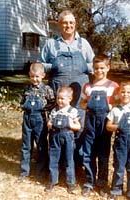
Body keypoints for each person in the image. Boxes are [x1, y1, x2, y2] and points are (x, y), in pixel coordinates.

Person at [37, 9, 94, 172]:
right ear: (59, 25)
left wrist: (82, 66)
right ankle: (57, 163)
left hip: (79, 91)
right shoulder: (50, 44)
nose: (68, 25)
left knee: (79, 125)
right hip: (58, 91)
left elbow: (93, 64)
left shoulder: (84, 44)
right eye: (65, 23)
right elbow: (41, 64)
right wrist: (52, 65)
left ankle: (77, 163)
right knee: (57, 124)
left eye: (71, 23)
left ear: (75, 25)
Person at [80, 53, 119, 197]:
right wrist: (88, 105)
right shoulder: (88, 86)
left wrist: (110, 105)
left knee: (103, 154)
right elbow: (81, 104)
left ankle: (102, 183)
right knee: (89, 153)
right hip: (90, 123)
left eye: (102, 68)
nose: (99, 71)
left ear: (108, 68)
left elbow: (118, 104)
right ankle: (89, 182)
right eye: (96, 68)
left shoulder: (113, 86)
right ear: (93, 69)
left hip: (104, 124)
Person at [17, 62, 55, 183]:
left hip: (40, 120)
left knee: (41, 146)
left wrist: (49, 118)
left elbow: (52, 104)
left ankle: (41, 173)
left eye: (37, 76)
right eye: (32, 76)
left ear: (43, 75)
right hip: (27, 119)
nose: (35, 79)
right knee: (26, 146)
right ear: (29, 75)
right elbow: (22, 102)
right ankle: (24, 172)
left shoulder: (47, 89)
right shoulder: (26, 89)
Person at [45, 86, 81, 194]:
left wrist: (69, 124)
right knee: (53, 158)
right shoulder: (54, 110)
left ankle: (70, 183)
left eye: (62, 99)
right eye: (58, 98)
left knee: (69, 160)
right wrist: (51, 124)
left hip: (68, 136)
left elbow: (78, 126)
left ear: (70, 99)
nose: (59, 101)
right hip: (55, 136)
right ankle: (52, 180)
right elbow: (49, 123)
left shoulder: (73, 111)